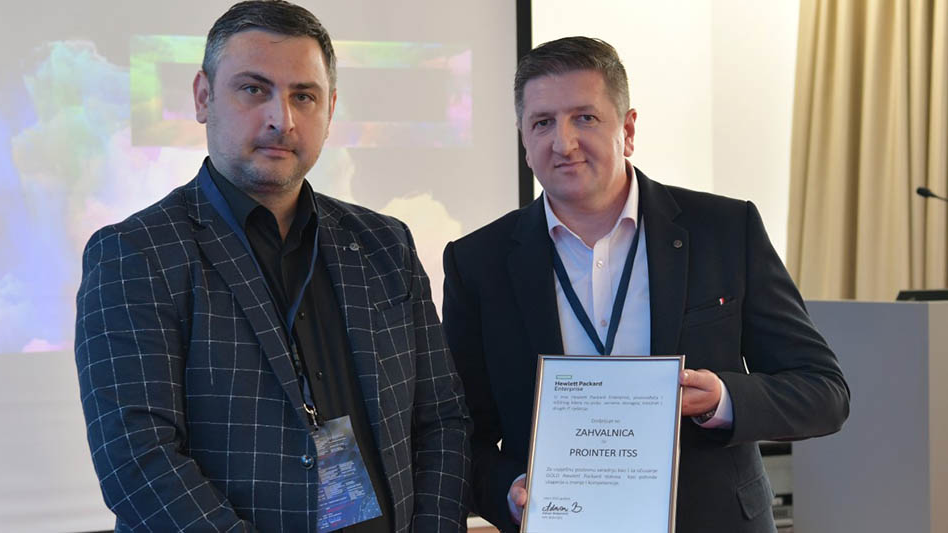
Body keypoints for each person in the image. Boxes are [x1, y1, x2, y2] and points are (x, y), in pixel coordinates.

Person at [74, 2, 470, 531]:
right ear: (203, 96)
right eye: (254, 89)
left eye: (303, 96)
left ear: (330, 109)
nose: (281, 119)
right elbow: (138, 461)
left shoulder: (384, 243)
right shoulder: (135, 253)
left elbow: (442, 420)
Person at [442, 36, 849, 533]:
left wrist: (722, 398)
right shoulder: (478, 262)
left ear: (628, 129)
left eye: (584, 118)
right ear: (524, 140)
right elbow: (458, 432)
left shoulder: (724, 230)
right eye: (542, 122)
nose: (563, 143)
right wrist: (507, 493)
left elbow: (823, 392)